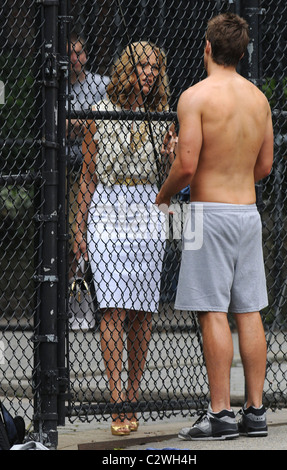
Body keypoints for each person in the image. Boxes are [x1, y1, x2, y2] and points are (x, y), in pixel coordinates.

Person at [155, 13, 274, 441]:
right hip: (247, 213)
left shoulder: (195, 97)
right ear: (242, 53)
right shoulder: (259, 99)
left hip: (209, 213)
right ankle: (256, 411)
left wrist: (163, 195)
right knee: (250, 310)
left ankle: (222, 414)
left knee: (213, 311)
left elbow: (186, 165)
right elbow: (265, 166)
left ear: (207, 47)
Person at [73, 41, 174, 435]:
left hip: (149, 204)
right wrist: (79, 227)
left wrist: (172, 155)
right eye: (142, 66)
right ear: (127, 69)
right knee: (113, 306)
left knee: (144, 311)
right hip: (109, 205)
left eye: (154, 67)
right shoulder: (101, 113)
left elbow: (171, 177)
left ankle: (133, 393)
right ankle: (118, 400)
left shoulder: (162, 117)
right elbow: (87, 176)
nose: (149, 72)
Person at [68, 34, 109, 279]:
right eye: (70, 54)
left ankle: (83, 293)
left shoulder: (102, 84)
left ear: (87, 55)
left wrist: (81, 124)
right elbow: (52, 125)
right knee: (70, 230)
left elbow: (107, 121)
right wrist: (85, 124)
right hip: (65, 163)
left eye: (79, 52)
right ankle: (70, 291)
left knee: (90, 232)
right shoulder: (55, 85)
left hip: (94, 166)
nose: (75, 58)